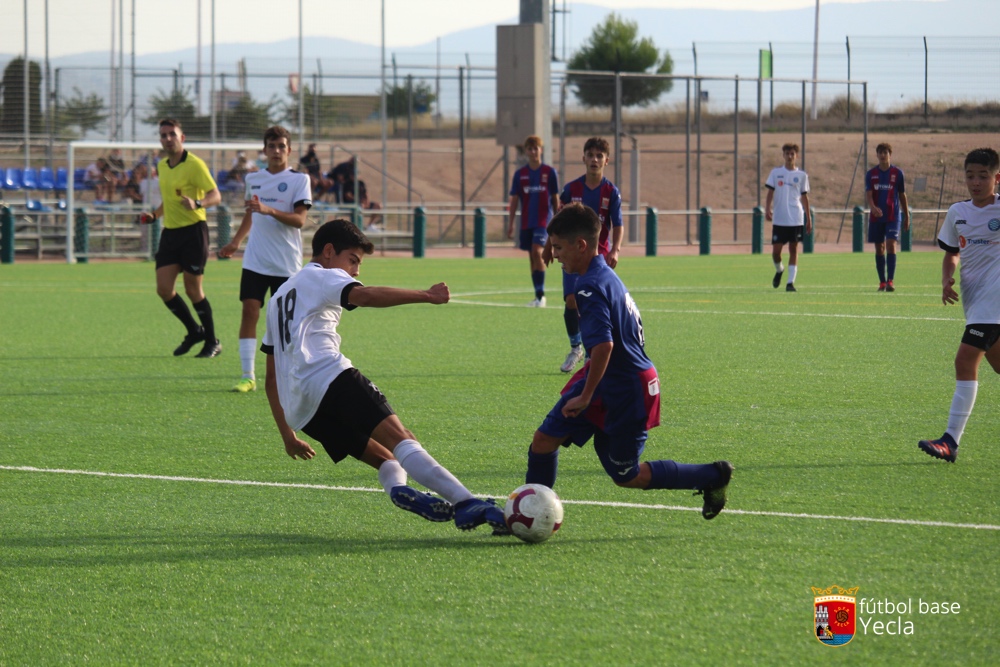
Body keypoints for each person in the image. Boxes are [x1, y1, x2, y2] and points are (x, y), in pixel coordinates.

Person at [261, 219, 508, 533]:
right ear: (328, 251)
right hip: (328, 377)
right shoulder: (322, 276)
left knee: (388, 457)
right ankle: (466, 502)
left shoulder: (278, 298)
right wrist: (426, 295)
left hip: (302, 412)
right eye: (353, 260)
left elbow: (271, 378)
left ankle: (398, 490)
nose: (356, 271)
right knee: (404, 440)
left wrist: (288, 435)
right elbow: (363, 296)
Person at [523, 203, 733, 519]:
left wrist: (586, 396)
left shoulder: (590, 286)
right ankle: (531, 513)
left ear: (581, 245)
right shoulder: (601, 273)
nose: (554, 255)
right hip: (603, 376)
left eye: (558, 248)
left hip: (627, 388)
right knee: (544, 439)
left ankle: (712, 476)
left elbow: (605, 345)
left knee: (626, 475)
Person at [918, 147, 1000, 463]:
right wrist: (946, 279)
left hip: (993, 304)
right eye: (970, 175)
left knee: (965, 361)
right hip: (975, 301)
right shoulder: (957, 212)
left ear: (996, 178)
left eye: (983, 176)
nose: (975, 182)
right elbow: (951, 252)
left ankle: (950, 441)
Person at [218, 125, 311, 393]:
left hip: (286, 262)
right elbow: (251, 213)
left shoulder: (299, 180)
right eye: (272, 146)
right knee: (249, 312)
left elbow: (299, 220)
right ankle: (248, 375)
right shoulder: (253, 179)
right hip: (255, 260)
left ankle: (291, 374)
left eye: (282, 146)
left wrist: (269, 209)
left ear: (289, 150)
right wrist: (236, 241)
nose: (277, 151)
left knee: (285, 321)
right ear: (264, 150)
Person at [141, 118, 223, 358]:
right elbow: (169, 199)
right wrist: (154, 215)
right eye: (163, 135)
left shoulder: (195, 164)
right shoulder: (163, 166)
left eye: (172, 134)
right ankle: (193, 331)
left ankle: (212, 341)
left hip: (193, 232)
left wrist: (198, 203)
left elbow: (215, 195)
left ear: (182, 138)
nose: (167, 139)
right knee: (164, 289)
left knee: (193, 289)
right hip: (170, 233)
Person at [551, 136, 622, 373]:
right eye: (590, 155)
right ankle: (575, 348)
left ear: (606, 160)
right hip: (573, 253)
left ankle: (595, 351)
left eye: (599, 156)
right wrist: (550, 246)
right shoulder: (572, 189)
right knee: (572, 300)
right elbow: (558, 220)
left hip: (598, 256)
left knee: (593, 301)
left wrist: (615, 249)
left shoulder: (611, 191)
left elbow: (617, 224)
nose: (594, 159)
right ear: (583, 158)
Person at [507, 135, 560, 308]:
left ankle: (541, 295)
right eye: (529, 148)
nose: (532, 151)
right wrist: (510, 223)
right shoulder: (520, 174)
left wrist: (558, 221)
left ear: (541, 150)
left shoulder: (549, 172)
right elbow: (514, 200)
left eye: (535, 148)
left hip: (544, 221)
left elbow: (555, 199)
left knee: (538, 252)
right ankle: (537, 295)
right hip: (526, 221)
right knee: (531, 257)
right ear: (526, 152)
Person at [765, 143, 812, 292]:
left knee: (794, 248)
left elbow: (804, 197)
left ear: (796, 156)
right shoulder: (775, 173)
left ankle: (790, 283)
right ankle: (779, 270)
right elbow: (770, 193)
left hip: (796, 218)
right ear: (783, 155)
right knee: (776, 252)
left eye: (792, 154)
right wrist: (767, 208)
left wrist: (808, 218)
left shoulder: (802, 176)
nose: (790, 156)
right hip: (779, 218)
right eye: (787, 153)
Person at [865, 143, 910, 291]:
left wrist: (906, 215)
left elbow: (902, 195)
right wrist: (873, 208)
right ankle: (882, 281)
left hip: (893, 216)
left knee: (891, 245)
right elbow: (869, 195)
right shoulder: (871, 174)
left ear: (890, 154)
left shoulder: (898, 173)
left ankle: (890, 281)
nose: (883, 155)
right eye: (880, 152)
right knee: (879, 248)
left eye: (885, 152)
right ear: (877, 155)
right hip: (876, 217)